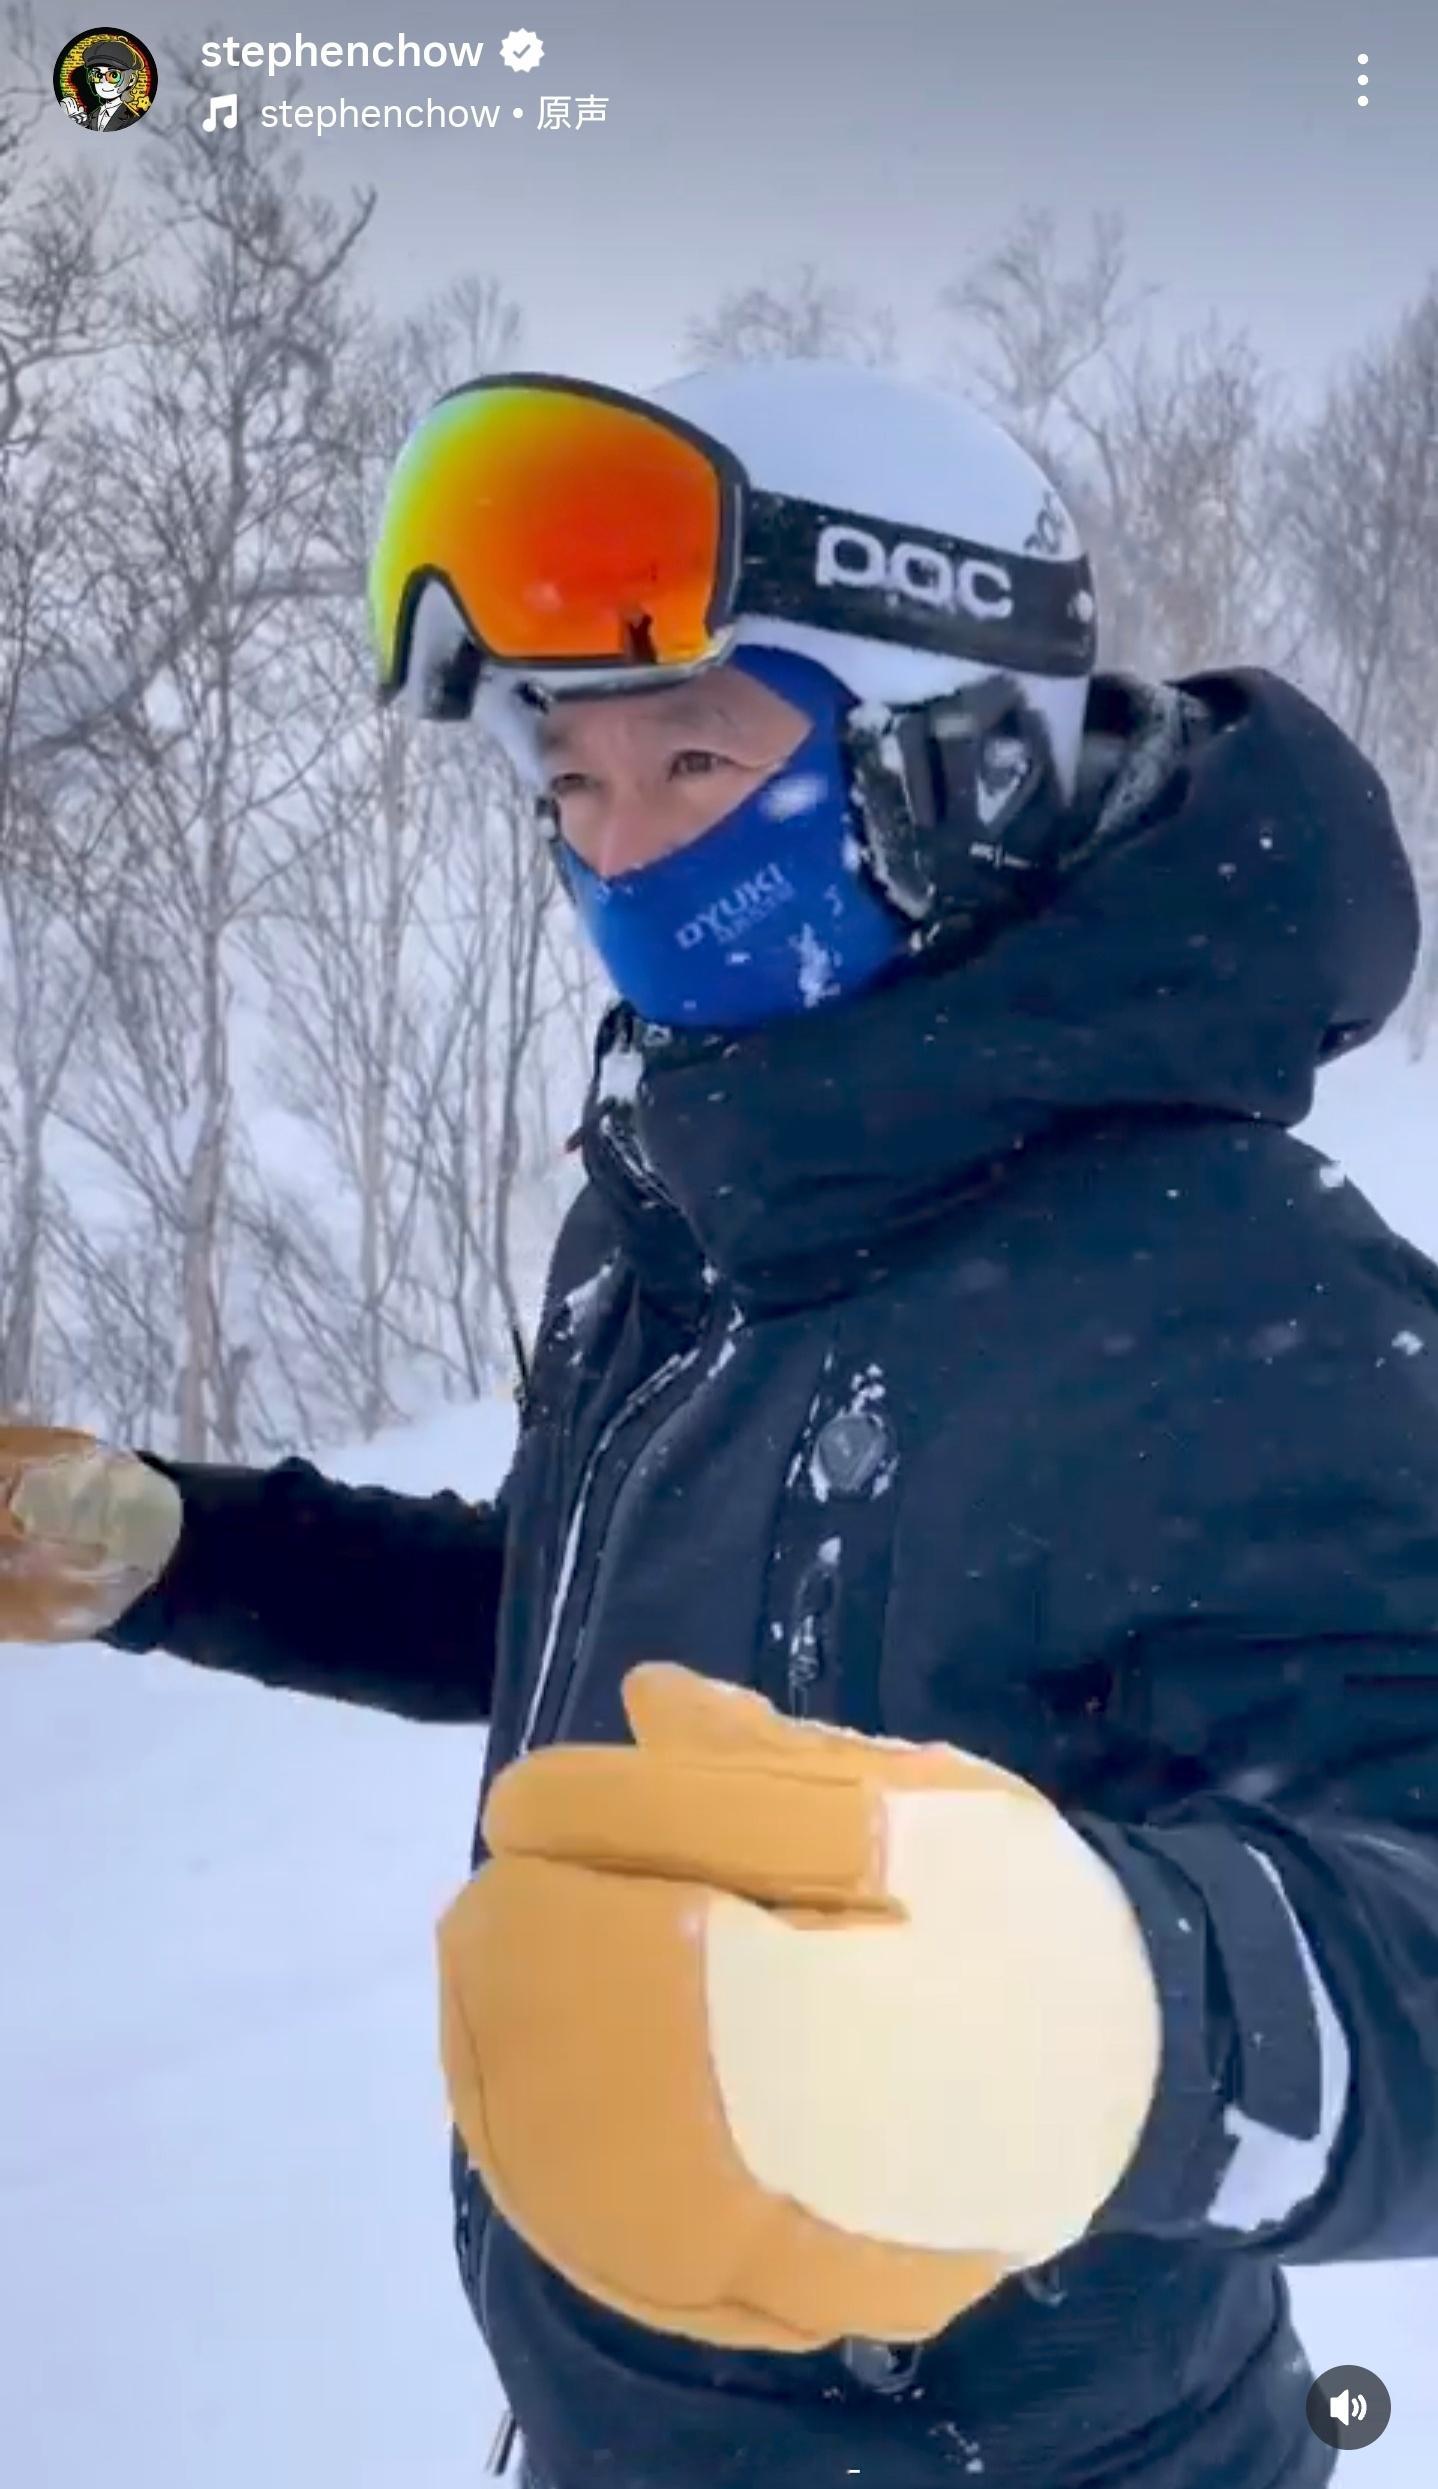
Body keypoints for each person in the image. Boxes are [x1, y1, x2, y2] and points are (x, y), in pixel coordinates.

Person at [2, 361, 1437, 2489]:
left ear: (965, 772)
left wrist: (1098, 2021)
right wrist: (178, 1550)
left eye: (696, 751)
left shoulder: (1223, 1280)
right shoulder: (690, 1198)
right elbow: (616, 1607)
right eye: (569, 783)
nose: (615, 847)